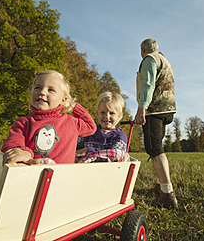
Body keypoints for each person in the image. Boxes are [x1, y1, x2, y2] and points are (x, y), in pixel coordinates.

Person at [1, 70, 96, 165]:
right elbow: (12, 142)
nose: (42, 92)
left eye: (50, 90)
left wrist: (74, 106)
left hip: (63, 177)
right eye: (37, 88)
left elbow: (91, 126)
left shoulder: (72, 122)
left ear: (63, 99)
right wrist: (23, 151)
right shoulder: (24, 122)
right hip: (32, 175)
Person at [134, 38, 178, 210]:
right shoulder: (165, 60)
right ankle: (162, 186)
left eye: (140, 51)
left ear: (144, 50)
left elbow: (147, 84)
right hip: (168, 108)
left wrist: (141, 108)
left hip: (155, 109)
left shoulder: (150, 60)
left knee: (154, 149)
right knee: (157, 147)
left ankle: (167, 194)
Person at [76, 91, 130, 163]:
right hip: (86, 169)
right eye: (102, 113)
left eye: (111, 113)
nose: (107, 117)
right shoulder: (91, 131)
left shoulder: (119, 135)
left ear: (119, 116)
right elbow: (75, 144)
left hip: (108, 171)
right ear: (97, 114)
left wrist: (88, 151)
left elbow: (114, 155)